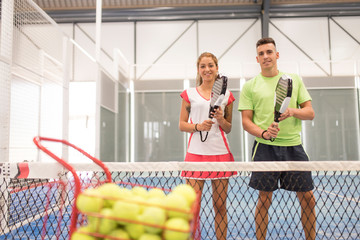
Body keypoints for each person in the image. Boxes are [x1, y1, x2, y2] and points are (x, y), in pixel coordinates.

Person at [238, 38, 316, 240]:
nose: (266, 56)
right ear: (257, 58)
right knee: (264, 200)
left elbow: (310, 113)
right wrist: (264, 133)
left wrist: (292, 111)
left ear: (277, 55)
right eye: (262, 54)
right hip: (265, 149)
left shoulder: (294, 80)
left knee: (308, 199)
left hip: (293, 148)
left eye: (269, 52)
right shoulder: (249, 86)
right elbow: (246, 122)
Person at [179, 52, 236, 240]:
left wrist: (220, 119)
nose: (207, 69)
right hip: (195, 156)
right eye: (203, 66)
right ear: (198, 70)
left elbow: (228, 128)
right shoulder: (189, 94)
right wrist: (197, 126)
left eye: (210, 65)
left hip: (220, 155)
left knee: (220, 206)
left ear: (217, 68)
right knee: (191, 207)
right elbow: (181, 124)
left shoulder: (227, 96)